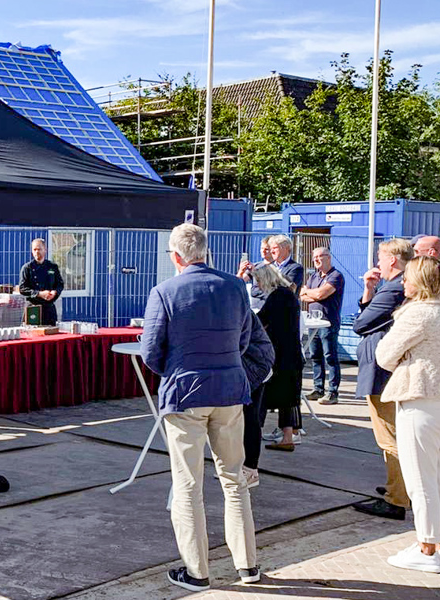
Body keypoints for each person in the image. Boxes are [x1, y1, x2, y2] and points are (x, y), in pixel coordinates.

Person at [140, 223, 260, 592]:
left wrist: (177, 370)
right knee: (234, 480)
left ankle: (197, 571)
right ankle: (248, 565)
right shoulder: (234, 287)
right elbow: (244, 338)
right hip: (228, 391)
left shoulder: (164, 291)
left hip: (186, 394)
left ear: (175, 256)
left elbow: (150, 351)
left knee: (188, 485)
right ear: (204, 252)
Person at [376, 256, 440, 574]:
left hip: (421, 400)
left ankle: (427, 549)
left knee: (420, 479)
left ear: (422, 281)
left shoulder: (418, 313)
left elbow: (384, 355)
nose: (402, 282)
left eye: (407, 277)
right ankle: (435, 544)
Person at [352, 237, 415, 521]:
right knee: (393, 434)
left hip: (382, 372)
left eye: (380, 257)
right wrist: (368, 290)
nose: (377, 263)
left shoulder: (394, 289)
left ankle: (397, 499)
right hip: (385, 368)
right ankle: (397, 487)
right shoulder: (393, 287)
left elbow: (361, 324)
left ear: (392, 259)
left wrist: (375, 295)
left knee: (389, 437)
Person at [251, 265, 305, 453]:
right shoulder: (288, 294)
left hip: (278, 353)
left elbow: (260, 321)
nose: (257, 284)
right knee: (288, 398)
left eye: (258, 280)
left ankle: (253, 434)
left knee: (262, 395)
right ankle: (288, 436)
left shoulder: (276, 297)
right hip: (292, 353)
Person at [300, 247, 346, 405]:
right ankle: (318, 388)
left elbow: (321, 294)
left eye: (320, 257)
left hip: (328, 322)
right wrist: (313, 293)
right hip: (313, 322)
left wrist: (311, 293)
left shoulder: (336, 276)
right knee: (315, 356)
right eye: (315, 258)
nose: (317, 260)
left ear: (329, 257)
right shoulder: (314, 276)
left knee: (330, 357)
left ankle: (333, 391)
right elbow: (302, 295)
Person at [240, 313, 275, 489]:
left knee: (249, 417)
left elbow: (239, 342)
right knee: (247, 418)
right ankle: (245, 467)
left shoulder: (235, 303)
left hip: (254, 365)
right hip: (255, 362)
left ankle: (250, 469)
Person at [19, 238, 65, 326]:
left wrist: (54, 292)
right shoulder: (27, 268)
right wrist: (39, 294)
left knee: (51, 335)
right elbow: (22, 289)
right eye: (34, 249)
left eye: (39, 249)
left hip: (49, 308)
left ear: (45, 250)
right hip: (33, 308)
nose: (36, 252)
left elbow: (60, 284)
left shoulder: (52, 267)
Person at [236, 236, 279, 308]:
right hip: (255, 307)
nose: (263, 251)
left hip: (269, 306)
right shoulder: (256, 266)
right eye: (262, 248)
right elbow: (240, 281)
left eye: (266, 249)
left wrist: (255, 272)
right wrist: (241, 271)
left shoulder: (278, 266)